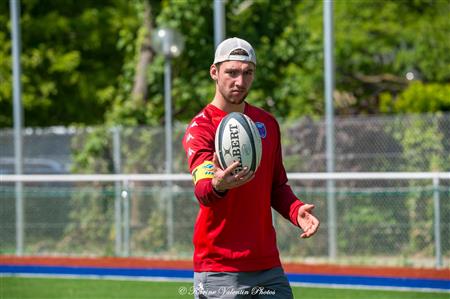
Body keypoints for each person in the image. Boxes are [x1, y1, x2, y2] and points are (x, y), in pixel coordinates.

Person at [182, 37, 320, 299]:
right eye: (231, 72)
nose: (240, 81)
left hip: (267, 265)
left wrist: (295, 210)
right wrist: (217, 184)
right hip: (220, 269)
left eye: (247, 73)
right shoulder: (201, 128)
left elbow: (276, 185)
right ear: (214, 72)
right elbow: (202, 190)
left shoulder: (266, 123)